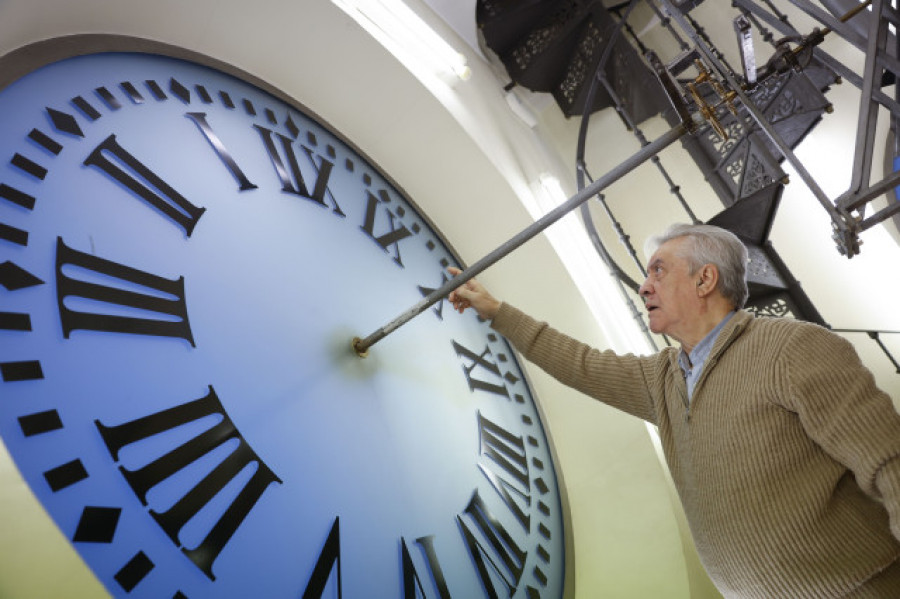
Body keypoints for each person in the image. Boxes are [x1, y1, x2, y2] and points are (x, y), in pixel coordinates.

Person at [448, 223, 900, 598]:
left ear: (705, 280)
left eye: (658, 272)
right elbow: (579, 364)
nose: (644, 286)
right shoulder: (663, 378)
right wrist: (497, 312)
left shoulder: (790, 347)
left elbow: (889, 460)